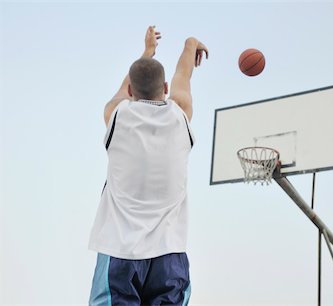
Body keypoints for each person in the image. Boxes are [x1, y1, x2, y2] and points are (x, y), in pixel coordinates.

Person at [88, 25, 208, 306]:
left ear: (131, 90)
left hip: (120, 252)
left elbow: (120, 93)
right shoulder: (180, 116)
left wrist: (147, 51)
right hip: (170, 255)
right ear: (165, 89)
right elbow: (183, 76)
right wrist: (190, 45)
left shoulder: (116, 115)